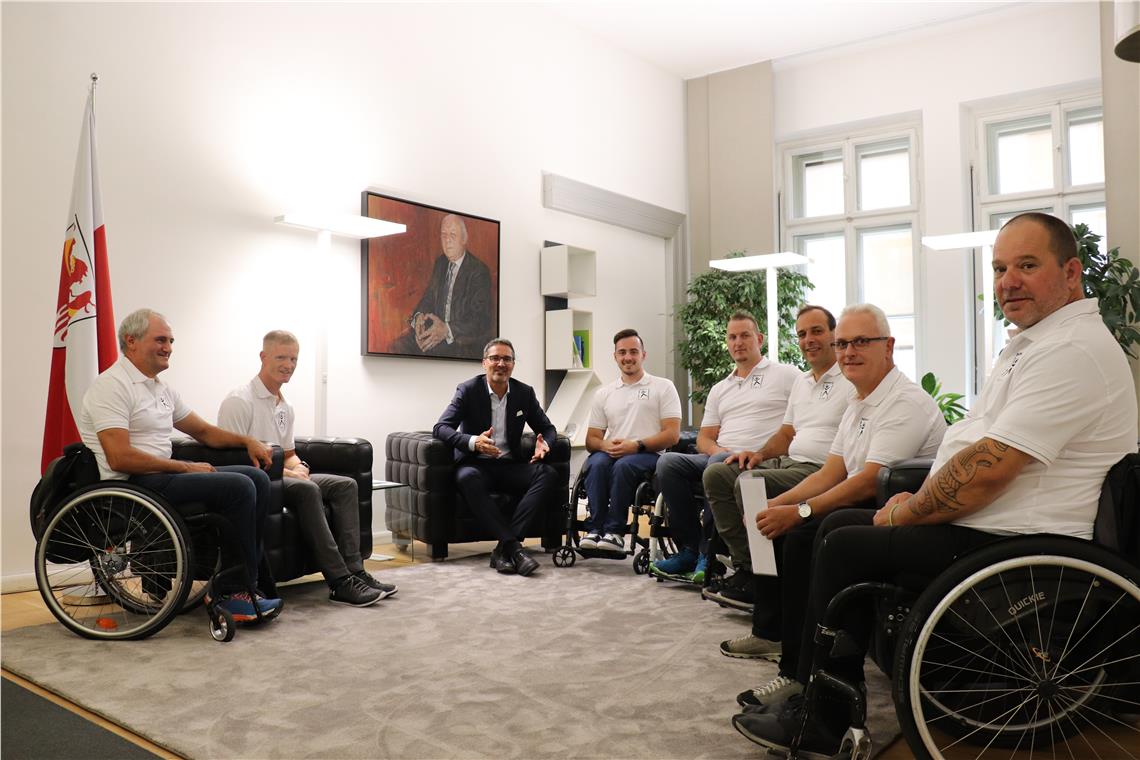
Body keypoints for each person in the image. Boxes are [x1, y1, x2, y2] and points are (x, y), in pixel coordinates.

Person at [731, 212, 1138, 758]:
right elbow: (976, 449)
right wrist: (916, 499)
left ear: (1071, 272)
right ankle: (816, 687)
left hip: (1022, 543)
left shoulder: (1071, 350)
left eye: (1026, 265)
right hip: (995, 522)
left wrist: (909, 511)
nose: (1008, 281)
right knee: (837, 526)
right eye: (999, 268)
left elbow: (990, 468)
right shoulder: (1036, 342)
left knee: (844, 542)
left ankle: (825, 717)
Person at [731, 303, 945, 709]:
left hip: (900, 513)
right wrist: (778, 504)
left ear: (888, 347)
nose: (848, 352)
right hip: (868, 504)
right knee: (778, 527)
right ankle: (786, 655)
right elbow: (832, 472)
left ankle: (807, 674)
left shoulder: (903, 402)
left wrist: (799, 512)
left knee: (802, 534)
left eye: (860, 342)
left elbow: (866, 481)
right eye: (843, 343)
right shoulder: (859, 402)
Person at [77, 308, 283, 623]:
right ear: (131, 341)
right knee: (240, 486)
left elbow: (204, 432)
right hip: (133, 483)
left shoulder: (161, 389)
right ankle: (232, 592)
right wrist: (185, 467)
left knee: (257, 478)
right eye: (160, 340)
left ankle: (249, 584)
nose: (168, 347)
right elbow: (120, 457)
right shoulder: (111, 386)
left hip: (162, 477)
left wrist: (247, 441)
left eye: (171, 341)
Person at [702, 306, 851, 660]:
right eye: (802, 334)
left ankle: (769, 626)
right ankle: (751, 569)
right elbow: (786, 433)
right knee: (718, 473)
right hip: (788, 461)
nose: (808, 340)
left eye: (817, 331)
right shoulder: (803, 381)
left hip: (820, 469)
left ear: (834, 334)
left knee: (751, 485)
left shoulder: (850, 379)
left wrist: (757, 468)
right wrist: (758, 454)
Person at [218, 330, 397, 608]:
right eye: (281, 357)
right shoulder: (239, 400)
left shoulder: (285, 405)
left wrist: (299, 466)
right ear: (263, 357)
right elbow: (236, 461)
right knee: (306, 488)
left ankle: (356, 570)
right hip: (257, 481)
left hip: (283, 476)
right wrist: (291, 474)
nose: (288, 365)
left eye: (293, 359)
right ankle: (340, 582)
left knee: (345, 486)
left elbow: (288, 454)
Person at [649, 310, 800, 581]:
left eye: (745, 336)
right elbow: (704, 438)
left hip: (761, 460)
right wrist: (719, 451)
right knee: (668, 463)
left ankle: (708, 553)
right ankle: (690, 549)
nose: (738, 342)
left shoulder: (786, 375)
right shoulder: (720, 388)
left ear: (759, 339)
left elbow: (800, 421)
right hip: (721, 457)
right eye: (732, 337)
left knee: (717, 465)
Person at [433, 338, 559, 576]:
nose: (501, 364)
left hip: (509, 465)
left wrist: (545, 443)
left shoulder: (524, 393)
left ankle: (505, 548)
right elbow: (441, 428)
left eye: (507, 359)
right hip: (476, 465)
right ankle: (515, 549)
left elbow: (548, 428)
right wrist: (474, 442)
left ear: (513, 365)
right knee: (467, 477)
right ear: (484, 363)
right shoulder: (468, 390)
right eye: (495, 358)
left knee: (548, 473)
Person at [581, 328, 682, 553]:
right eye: (622, 352)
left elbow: (672, 435)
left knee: (624, 465)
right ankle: (595, 529)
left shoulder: (663, 387)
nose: (628, 357)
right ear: (615, 356)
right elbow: (591, 440)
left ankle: (614, 532)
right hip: (613, 452)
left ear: (643, 355)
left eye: (633, 352)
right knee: (596, 463)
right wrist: (604, 445)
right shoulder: (604, 393)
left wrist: (636, 446)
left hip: (649, 455)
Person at [394, 213, 493, 358]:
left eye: (453, 235)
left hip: (460, 341)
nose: (447, 241)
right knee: (398, 346)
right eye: (444, 235)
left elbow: (480, 320)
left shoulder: (478, 271)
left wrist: (446, 330)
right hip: (435, 334)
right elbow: (428, 298)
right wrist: (419, 317)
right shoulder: (440, 263)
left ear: (464, 239)